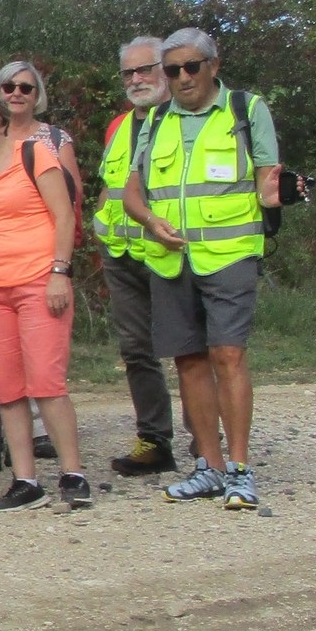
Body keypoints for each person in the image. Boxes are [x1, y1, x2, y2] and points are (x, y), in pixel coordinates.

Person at [125, 28, 299, 511]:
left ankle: (240, 470)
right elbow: (133, 192)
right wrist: (150, 222)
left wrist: (280, 193)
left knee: (228, 355)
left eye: (191, 67)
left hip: (231, 255)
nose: (182, 77)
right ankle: (209, 467)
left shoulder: (245, 109)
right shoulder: (154, 119)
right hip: (171, 258)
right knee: (189, 360)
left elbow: (267, 181)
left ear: (213, 66)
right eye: (172, 70)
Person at [0, 87, 90, 512]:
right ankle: (25, 480)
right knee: (7, 388)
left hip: (39, 281)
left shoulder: (34, 155)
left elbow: (64, 215)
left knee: (46, 381)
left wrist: (60, 272)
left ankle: (73, 473)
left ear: (2, 119)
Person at [0, 61, 78, 462]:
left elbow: (68, 205)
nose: (17, 93)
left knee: (45, 374)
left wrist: (60, 267)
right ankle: (7, 452)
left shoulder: (47, 143)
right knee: (0, 374)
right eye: (9, 86)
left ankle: (65, 463)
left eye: (26, 87)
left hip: (39, 271)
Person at [93, 37, 179, 476]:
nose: (137, 79)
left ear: (167, 70)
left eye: (146, 69)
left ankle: (209, 444)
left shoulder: (186, 121)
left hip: (172, 253)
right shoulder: (119, 126)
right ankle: (154, 441)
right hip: (123, 255)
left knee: (191, 350)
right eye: (128, 72)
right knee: (136, 351)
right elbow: (111, 187)